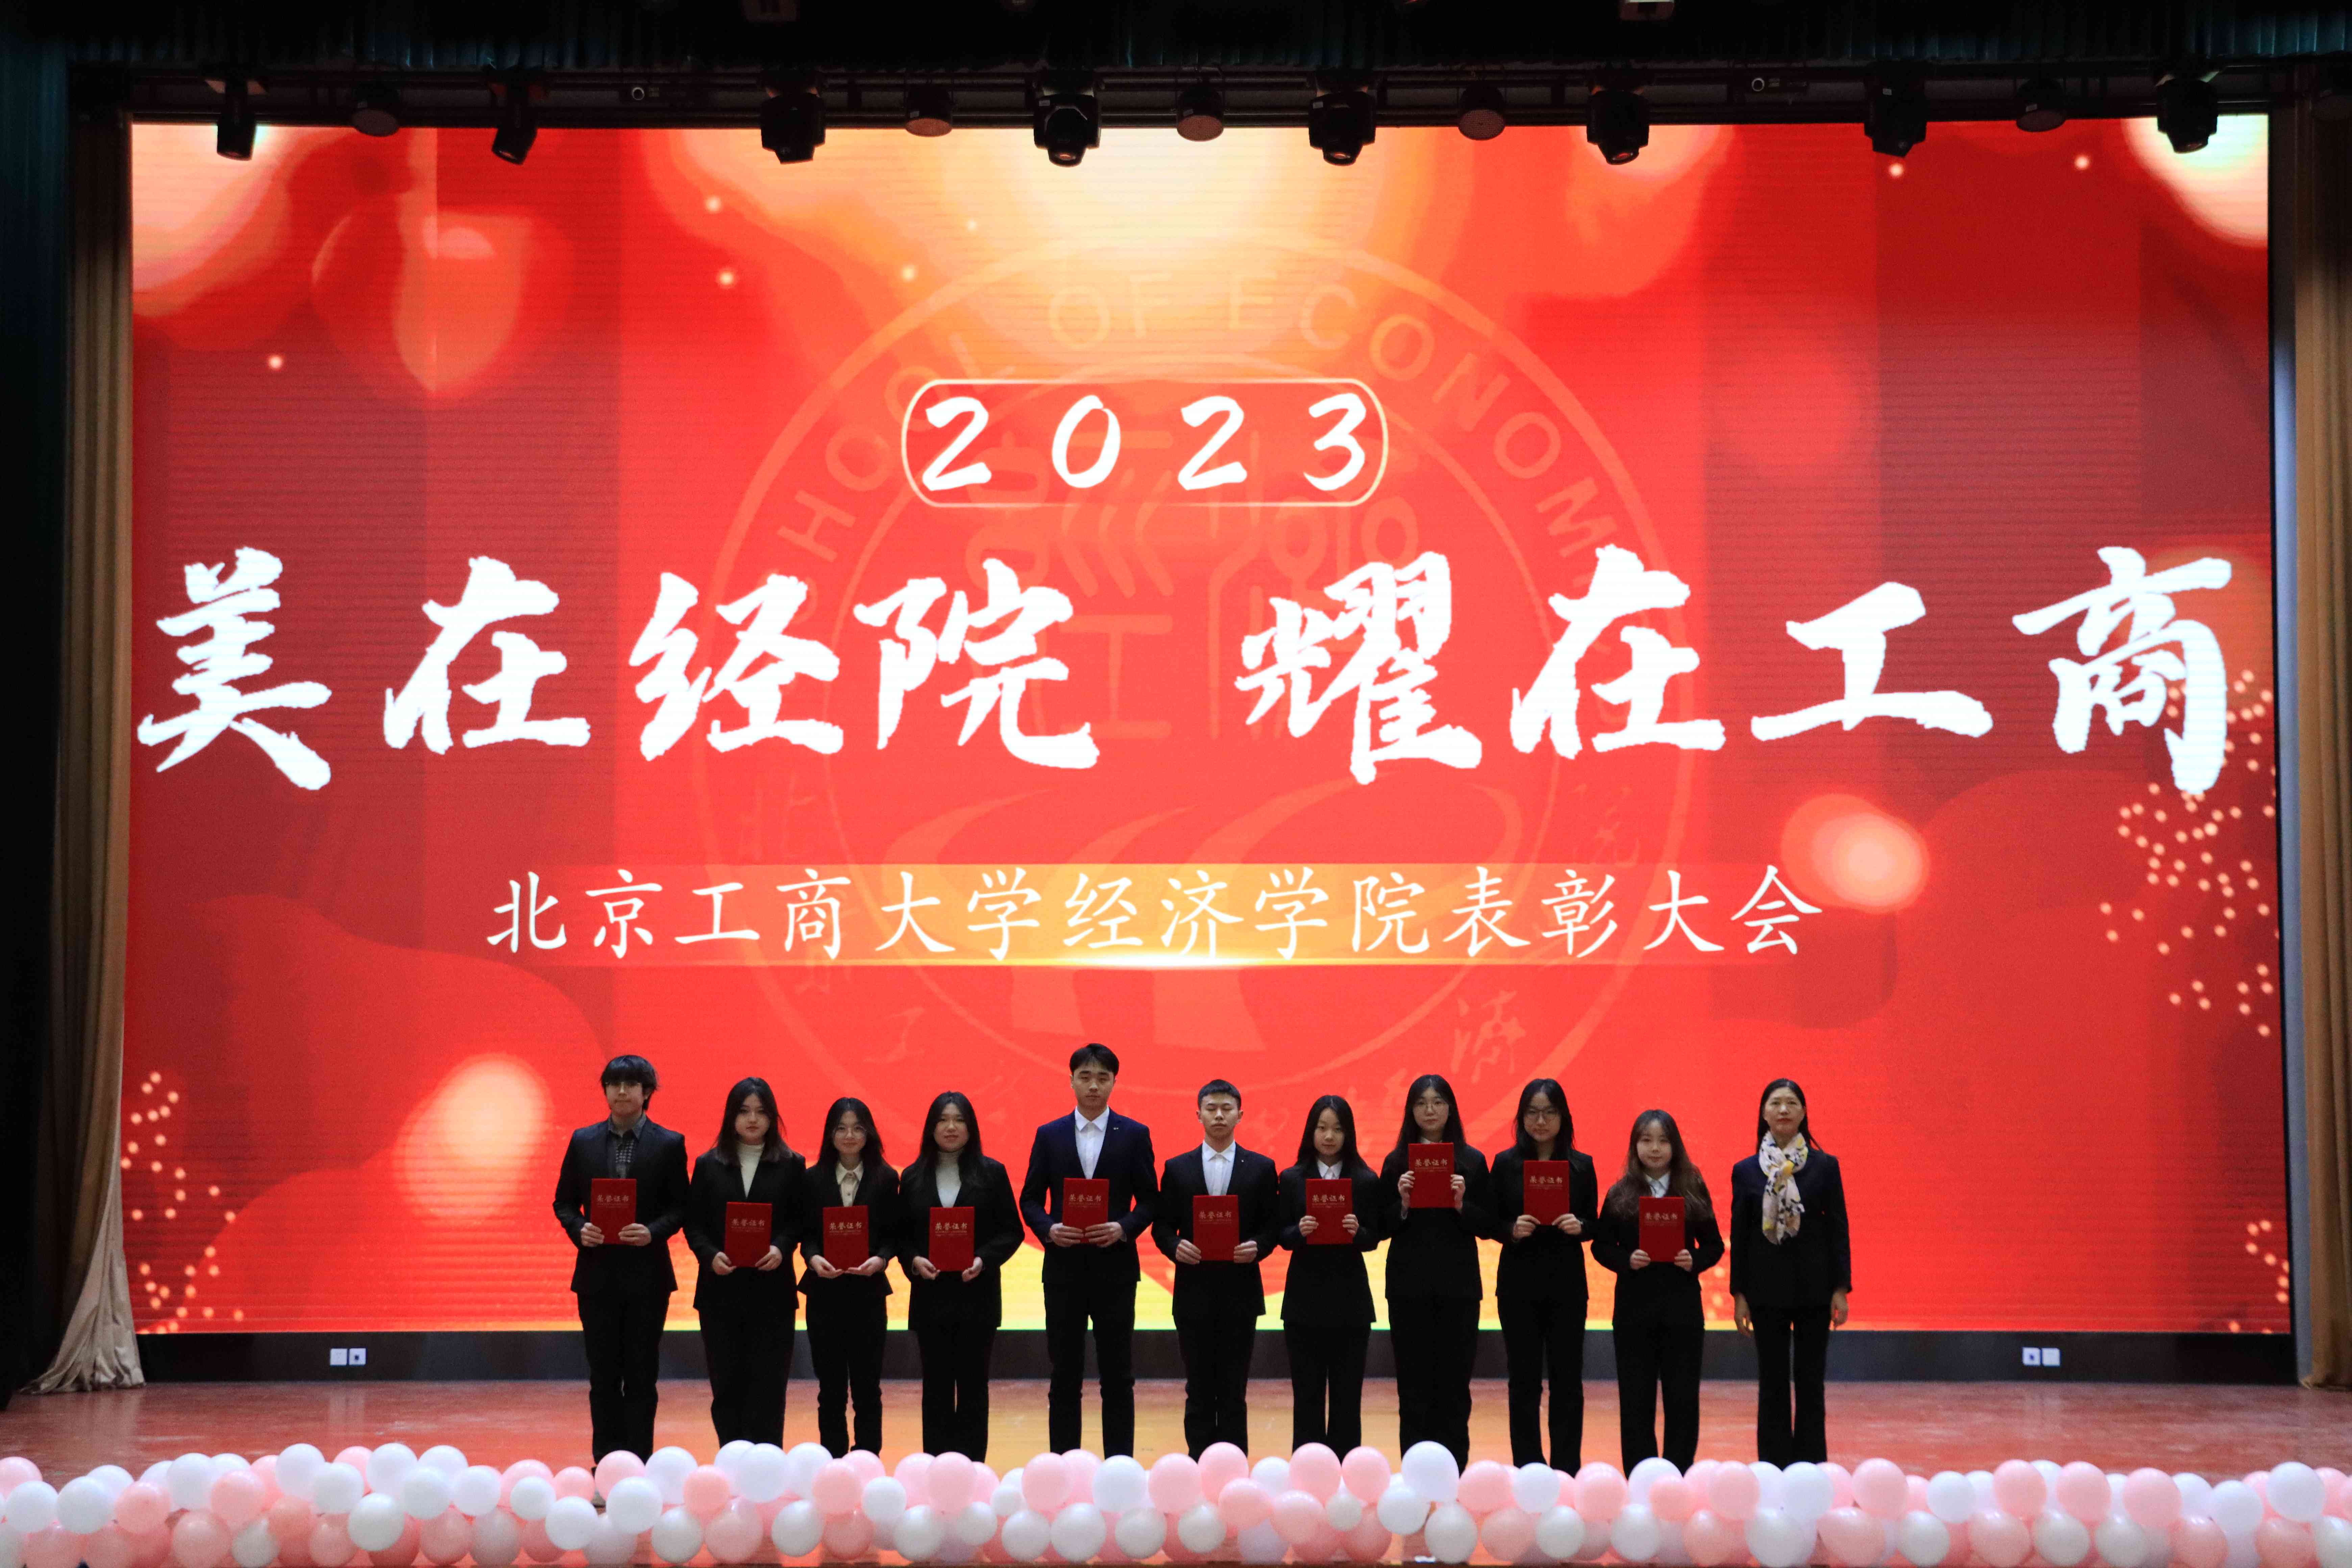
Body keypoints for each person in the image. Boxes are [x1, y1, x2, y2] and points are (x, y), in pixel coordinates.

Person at [1019, 1043, 1159, 1456]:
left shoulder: (1134, 1134)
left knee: (1119, 1374)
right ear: (1071, 1081)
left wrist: (1124, 1227)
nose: (1094, 1085)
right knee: (1065, 1373)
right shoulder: (1050, 1134)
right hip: (1063, 1270)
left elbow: (1151, 1199)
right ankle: (1065, 1464)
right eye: (1085, 1077)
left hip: (1115, 1270)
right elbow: (1030, 1199)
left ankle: (1120, 1464)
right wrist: (1049, 1228)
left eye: (1102, 1077)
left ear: (1114, 1082)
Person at [550, 1054, 690, 1461]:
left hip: (648, 1277)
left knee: (643, 1376)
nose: (623, 1091)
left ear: (647, 1092)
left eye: (632, 1084)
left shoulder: (670, 1143)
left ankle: (639, 1463)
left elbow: (682, 1206)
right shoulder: (583, 1140)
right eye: (615, 1084)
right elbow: (563, 1202)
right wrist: (580, 1228)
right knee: (604, 1375)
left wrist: (653, 1231)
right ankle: (608, 1462)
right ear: (606, 1090)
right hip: (596, 1276)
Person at [1152, 1079, 1282, 1457]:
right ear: (1199, 1115)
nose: (1220, 1115)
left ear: (1241, 1115)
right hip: (1193, 1294)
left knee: (1234, 1389)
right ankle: (1198, 1463)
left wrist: (1258, 1246)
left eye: (1227, 1108)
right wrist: (1176, 1246)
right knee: (1198, 1387)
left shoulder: (1261, 1168)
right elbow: (1162, 1227)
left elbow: (1273, 1226)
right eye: (1211, 1108)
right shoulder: (1178, 1168)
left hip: (1240, 1293)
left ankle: (1233, 1464)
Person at [1591, 1109, 1724, 1472]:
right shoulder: (1621, 1192)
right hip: (1634, 1311)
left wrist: (1694, 1259)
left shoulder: (1692, 1188)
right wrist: (1626, 1259)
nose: (1655, 1148)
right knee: (1636, 1399)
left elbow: (1714, 1245)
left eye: (1663, 1141)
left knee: (1683, 1398)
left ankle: (1679, 1473)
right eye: (1647, 1140)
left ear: (1675, 1146)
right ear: (1635, 1146)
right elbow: (1601, 1246)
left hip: (1682, 1311)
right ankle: (1642, 1475)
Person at [1730, 1077, 1853, 1466]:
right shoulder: (1746, 1170)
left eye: (1792, 1103)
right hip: (1764, 1291)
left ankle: (1811, 1467)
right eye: (1775, 1103)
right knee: (1772, 1383)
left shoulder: (1825, 1166)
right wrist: (1739, 1294)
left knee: (1811, 1382)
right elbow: (1740, 1235)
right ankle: (1774, 1466)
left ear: (1803, 1113)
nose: (1783, 1109)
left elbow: (1838, 1227)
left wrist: (1841, 1287)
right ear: (1763, 1113)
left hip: (1816, 1289)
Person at [898, 1091, 1024, 1461]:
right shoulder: (913, 1176)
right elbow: (901, 1236)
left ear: (971, 1128)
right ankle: (937, 1467)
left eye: (959, 1120)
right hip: (931, 1297)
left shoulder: (992, 1173)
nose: (951, 1127)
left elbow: (1012, 1232)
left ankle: (972, 1468)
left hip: (977, 1297)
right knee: (935, 1387)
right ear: (931, 1128)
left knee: (973, 1387)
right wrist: (914, 1260)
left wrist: (984, 1259)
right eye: (943, 1120)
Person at [1376, 1073, 1494, 1469]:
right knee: (1412, 1385)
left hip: (1459, 1288)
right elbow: (1380, 1226)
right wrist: (1402, 1203)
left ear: (1451, 1108)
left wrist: (1462, 1205)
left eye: (1438, 1102)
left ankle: (1454, 1470)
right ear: (1411, 1110)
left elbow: (1489, 1225)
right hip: (1408, 1287)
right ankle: (1415, 1471)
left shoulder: (1472, 1161)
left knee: (1455, 1386)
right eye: (1422, 1103)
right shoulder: (1397, 1162)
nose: (1430, 1110)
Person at [683, 1078, 804, 1447]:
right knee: (726, 1385)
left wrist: (781, 1247)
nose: (753, 1119)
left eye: (761, 1112)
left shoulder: (792, 1164)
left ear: (772, 1118)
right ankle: (732, 1459)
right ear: (731, 1117)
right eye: (744, 1111)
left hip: (773, 1293)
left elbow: (799, 1219)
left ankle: (767, 1462)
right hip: (721, 1291)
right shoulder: (708, 1164)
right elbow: (694, 1223)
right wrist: (709, 1255)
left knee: (770, 1385)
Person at [1490, 1077, 1598, 1471]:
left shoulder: (1581, 1165)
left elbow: (1595, 1222)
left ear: (1563, 1117)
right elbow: (1490, 1220)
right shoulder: (1505, 1163)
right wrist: (1510, 1228)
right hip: (1518, 1284)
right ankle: (1528, 1467)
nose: (1540, 1120)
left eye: (1549, 1112)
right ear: (1521, 1118)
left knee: (1567, 1381)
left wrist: (1580, 1226)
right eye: (1532, 1112)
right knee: (1523, 1381)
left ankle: (1566, 1468)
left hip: (1567, 1284)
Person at [1276, 1094, 1381, 1455]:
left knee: (1347, 1397)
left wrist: (1357, 1231)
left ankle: (1346, 1472)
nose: (1329, 1136)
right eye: (1322, 1128)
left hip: (1350, 1303)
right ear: (1311, 1132)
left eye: (1337, 1129)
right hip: (1304, 1302)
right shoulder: (1292, 1178)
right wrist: (1299, 1230)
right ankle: (1308, 1470)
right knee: (1307, 1396)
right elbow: (1281, 1235)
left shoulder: (1365, 1179)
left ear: (1349, 1133)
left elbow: (1374, 1238)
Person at [796, 1096, 899, 1457]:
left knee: (868, 1387)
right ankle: (834, 1461)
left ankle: (868, 1460)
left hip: (868, 1294)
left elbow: (893, 1234)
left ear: (869, 1133)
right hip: (824, 1295)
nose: (850, 1135)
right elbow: (806, 1233)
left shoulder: (887, 1178)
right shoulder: (812, 1179)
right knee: (831, 1389)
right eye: (841, 1128)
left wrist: (881, 1259)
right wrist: (813, 1258)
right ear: (830, 1134)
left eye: (857, 1128)